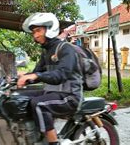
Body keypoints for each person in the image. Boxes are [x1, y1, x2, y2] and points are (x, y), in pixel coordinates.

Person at [18, 13, 83, 145]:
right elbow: (37, 73)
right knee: (19, 97)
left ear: (49, 29)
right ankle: (36, 136)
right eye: (33, 32)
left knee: (39, 104)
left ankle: (53, 143)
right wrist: (23, 77)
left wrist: (37, 75)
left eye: (38, 30)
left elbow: (61, 75)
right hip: (53, 92)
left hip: (70, 95)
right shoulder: (46, 51)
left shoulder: (66, 48)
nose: (35, 35)